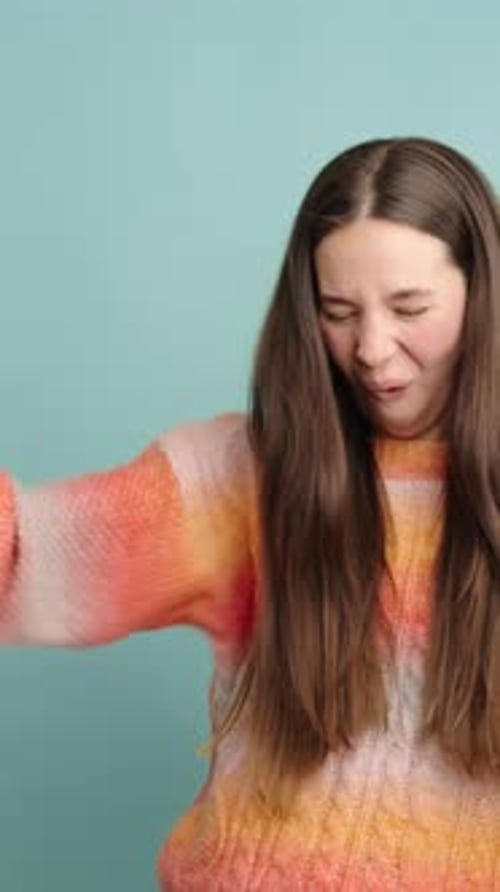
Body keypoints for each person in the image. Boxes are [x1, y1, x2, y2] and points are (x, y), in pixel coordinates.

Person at [1, 135, 499, 890]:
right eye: (337, 311)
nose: (369, 347)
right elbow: (29, 555)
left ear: (482, 293)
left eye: (409, 307)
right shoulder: (241, 478)